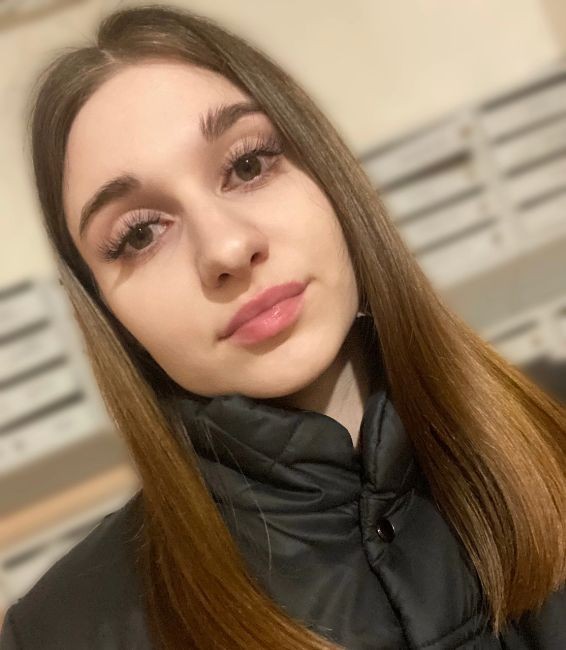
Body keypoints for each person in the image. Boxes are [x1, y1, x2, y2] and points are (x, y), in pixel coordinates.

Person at [1, 4, 565, 649]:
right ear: (106, 312)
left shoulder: (555, 418)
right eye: (139, 234)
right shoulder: (63, 631)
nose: (226, 248)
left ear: (327, 176)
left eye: (247, 166)